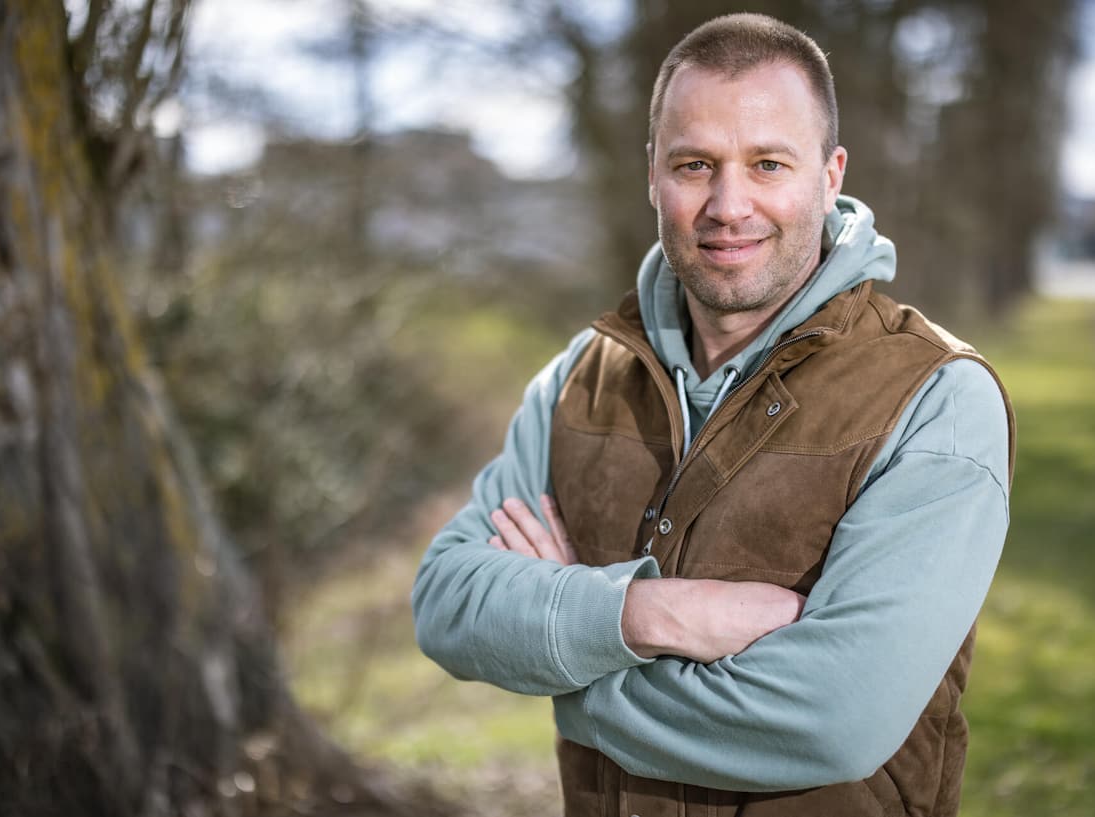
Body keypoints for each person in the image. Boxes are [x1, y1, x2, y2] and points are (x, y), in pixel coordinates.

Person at [411, 12, 1014, 817]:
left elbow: (831, 720)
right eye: (695, 164)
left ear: (830, 175)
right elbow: (447, 601)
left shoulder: (935, 397)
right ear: (651, 174)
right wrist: (647, 612)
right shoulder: (578, 379)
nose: (729, 205)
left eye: (768, 164)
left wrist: (566, 664)